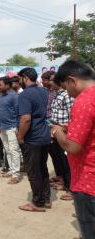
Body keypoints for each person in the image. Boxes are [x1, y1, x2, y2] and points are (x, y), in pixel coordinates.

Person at [51, 60, 95, 239]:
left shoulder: (84, 101)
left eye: (65, 88)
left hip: (88, 179)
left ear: (72, 80)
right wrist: (71, 127)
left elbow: (73, 147)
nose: (67, 93)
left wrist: (57, 131)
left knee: (90, 229)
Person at [16, 68, 51, 212]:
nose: (18, 82)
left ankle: (38, 203)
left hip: (32, 138)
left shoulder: (25, 94)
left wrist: (20, 136)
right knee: (42, 168)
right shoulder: (44, 91)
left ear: (24, 78)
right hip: (44, 136)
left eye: (19, 78)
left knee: (33, 171)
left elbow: (26, 118)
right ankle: (46, 198)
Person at [49, 72, 74, 201]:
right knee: (60, 160)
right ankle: (64, 183)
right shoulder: (57, 94)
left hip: (64, 131)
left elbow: (72, 114)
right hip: (56, 130)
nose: (49, 83)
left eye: (52, 81)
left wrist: (66, 129)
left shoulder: (67, 95)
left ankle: (71, 189)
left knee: (66, 162)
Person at [0, 77, 21, 184]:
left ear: (8, 85)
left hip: (12, 128)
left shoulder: (15, 96)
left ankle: (16, 174)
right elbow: (0, 113)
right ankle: (11, 170)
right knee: (7, 150)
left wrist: (17, 128)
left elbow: (18, 113)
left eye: (0, 85)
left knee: (14, 150)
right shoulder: (1, 97)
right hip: (3, 127)